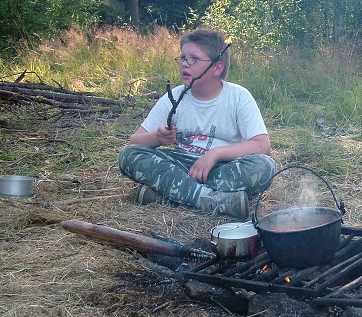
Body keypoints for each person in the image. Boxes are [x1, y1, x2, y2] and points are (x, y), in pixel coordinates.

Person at [118, 27, 276, 219]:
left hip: (220, 168)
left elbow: (262, 145)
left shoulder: (238, 96)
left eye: (194, 59)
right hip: (179, 167)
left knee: (265, 166)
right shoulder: (173, 97)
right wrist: (157, 137)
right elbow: (134, 142)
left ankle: (164, 197)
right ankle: (212, 200)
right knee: (129, 155)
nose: (185, 64)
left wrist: (215, 154)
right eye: (183, 58)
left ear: (217, 67)